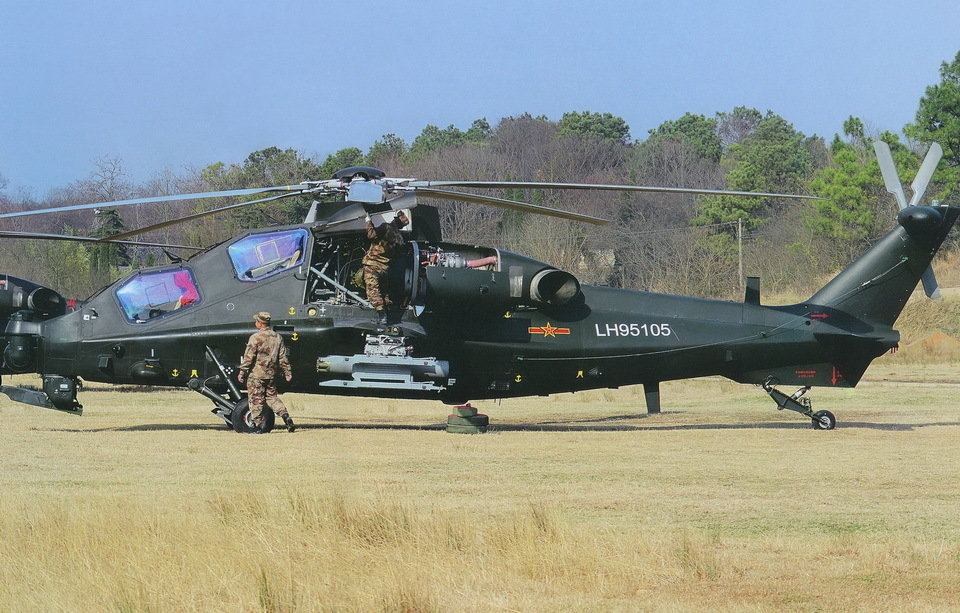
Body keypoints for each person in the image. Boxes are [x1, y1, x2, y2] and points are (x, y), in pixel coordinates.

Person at [237, 311, 296, 433]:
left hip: (256, 375)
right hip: (271, 375)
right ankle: (285, 416)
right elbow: (282, 357)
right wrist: (287, 372)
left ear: (260, 323)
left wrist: (242, 372)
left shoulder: (255, 338)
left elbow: (249, 357)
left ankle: (258, 426)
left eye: (256, 321)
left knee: (256, 400)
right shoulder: (277, 337)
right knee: (272, 398)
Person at [362, 210, 409, 327]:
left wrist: (368, 221)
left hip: (372, 265)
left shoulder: (386, 228)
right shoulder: (398, 239)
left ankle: (382, 317)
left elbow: (371, 235)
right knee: (384, 292)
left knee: (373, 291)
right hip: (384, 268)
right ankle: (390, 316)